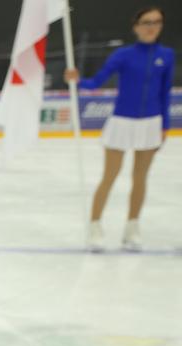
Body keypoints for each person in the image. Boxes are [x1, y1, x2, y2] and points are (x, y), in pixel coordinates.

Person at [65, 6, 174, 252]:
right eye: (146, 22)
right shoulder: (123, 55)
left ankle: (132, 227)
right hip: (122, 123)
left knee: (140, 178)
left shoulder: (166, 55)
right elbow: (96, 82)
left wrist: (164, 126)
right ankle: (95, 225)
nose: (151, 27)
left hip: (151, 124)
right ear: (136, 26)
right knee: (110, 176)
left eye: (156, 22)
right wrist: (77, 79)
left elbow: (165, 92)